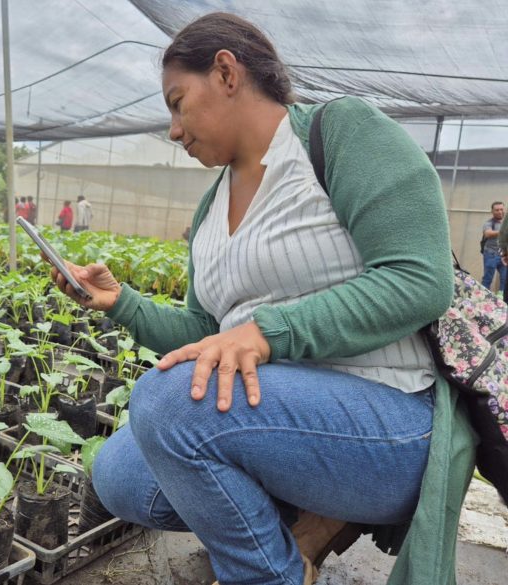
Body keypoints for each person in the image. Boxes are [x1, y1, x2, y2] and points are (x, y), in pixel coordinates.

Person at [47, 13, 474, 585]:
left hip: (390, 423)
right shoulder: (209, 209)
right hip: (276, 419)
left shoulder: (341, 133)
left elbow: (419, 280)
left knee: (167, 406)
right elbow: (205, 328)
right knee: (121, 473)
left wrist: (269, 332)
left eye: (178, 102)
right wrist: (121, 302)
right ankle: (299, 516)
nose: (174, 130)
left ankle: (269, 573)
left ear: (226, 71)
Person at [481, 201, 506, 291]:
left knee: (505, 279)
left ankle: (502, 299)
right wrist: (503, 231)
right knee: (487, 279)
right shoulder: (489, 223)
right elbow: (487, 233)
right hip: (491, 254)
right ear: (492, 211)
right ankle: (483, 297)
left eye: (501, 209)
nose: (500, 211)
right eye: (497, 210)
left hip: (504, 255)